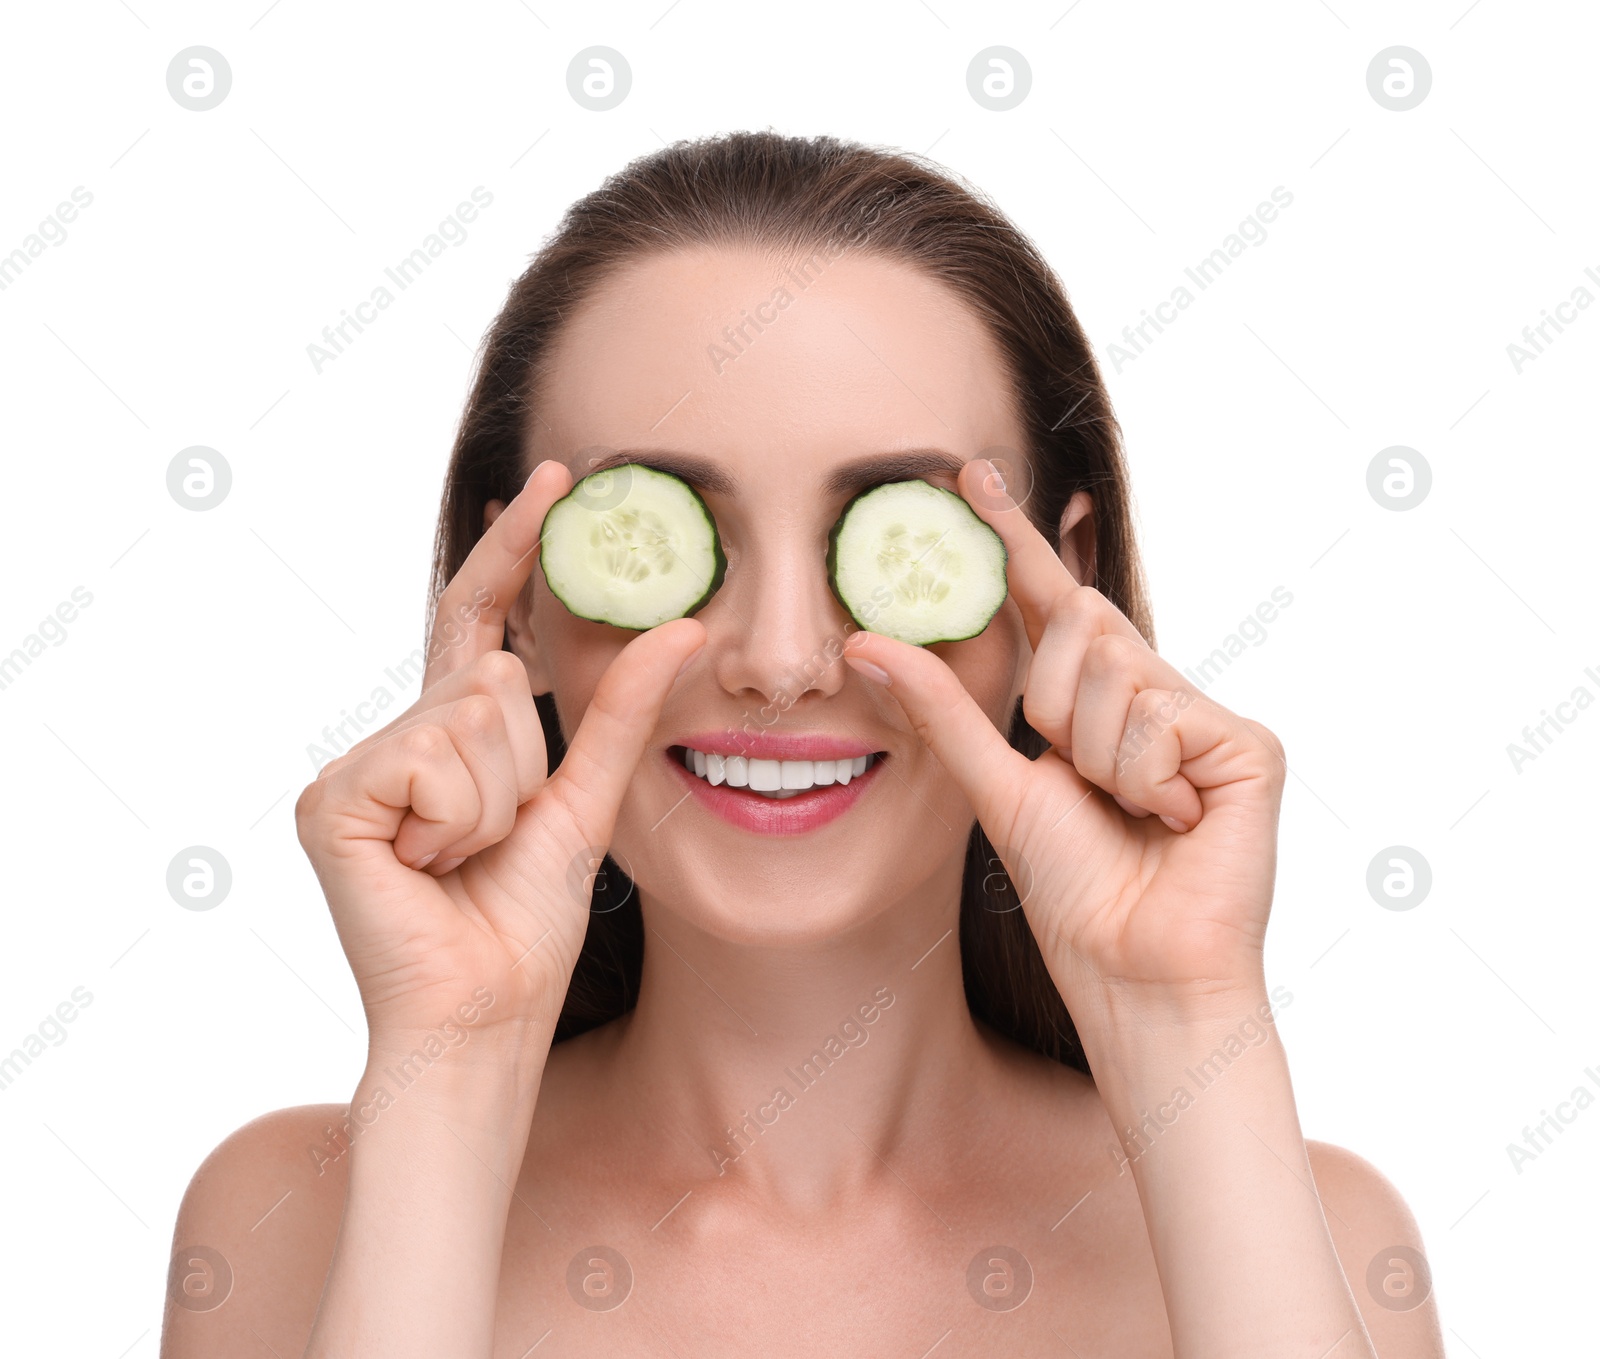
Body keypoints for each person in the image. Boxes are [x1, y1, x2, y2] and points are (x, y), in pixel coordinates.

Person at [163, 131, 1445, 1357]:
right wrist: (448, 1077)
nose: (778, 660)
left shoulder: (1320, 1233)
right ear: (522, 604)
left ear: (1068, 587)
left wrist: (1184, 1029)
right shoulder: (287, 1225)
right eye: (663, 539)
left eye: (892, 537)